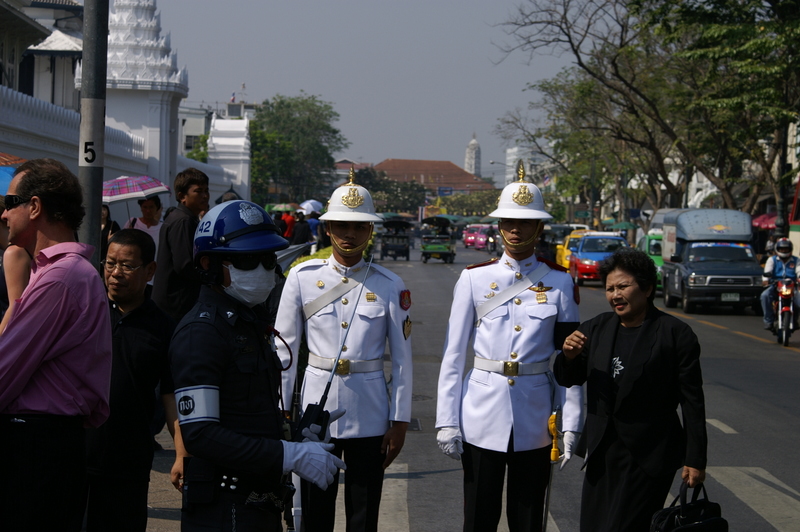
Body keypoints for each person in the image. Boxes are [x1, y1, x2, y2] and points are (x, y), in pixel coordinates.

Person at [171, 200, 345, 532]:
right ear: (210, 265)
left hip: (259, 503)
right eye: (250, 261)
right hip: (224, 511)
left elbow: (246, 414)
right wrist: (288, 455)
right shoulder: (202, 333)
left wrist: (296, 438)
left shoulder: (247, 324)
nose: (266, 271)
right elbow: (201, 434)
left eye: (269, 260)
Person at [436, 166, 583, 532]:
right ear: (499, 226)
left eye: (526, 222)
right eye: (509, 221)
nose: (516, 229)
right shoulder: (474, 279)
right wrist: (447, 420)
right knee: (479, 516)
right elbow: (453, 356)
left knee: (528, 517)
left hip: (535, 417)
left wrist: (573, 422)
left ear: (540, 228)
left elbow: (571, 362)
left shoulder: (560, 283)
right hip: (481, 413)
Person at [276, 171, 413, 532]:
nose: (349, 235)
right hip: (314, 412)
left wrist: (399, 421)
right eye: (341, 226)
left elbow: (401, 362)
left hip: (369, 412)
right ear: (327, 229)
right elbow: (285, 351)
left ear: (370, 231)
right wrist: (279, 413)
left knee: (363, 512)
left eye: (359, 226)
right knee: (315, 511)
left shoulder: (389, 285)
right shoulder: (302, 278)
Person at [555, 248, 707, 532]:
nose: (615, 294)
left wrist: (695, 460)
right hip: (602, 453)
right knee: (594, 526)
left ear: (648, 288)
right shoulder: (596, 328)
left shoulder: (675, 334)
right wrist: (568, 356)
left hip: (648, 456)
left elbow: (692, 402)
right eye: (610, 288)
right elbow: (568, 378)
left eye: (623, 286)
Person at [0, 158, 112, 531]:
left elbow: (5, 370)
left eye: (9, 202)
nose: (4, 214)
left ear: (34, 207)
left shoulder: (60, 278)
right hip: (46, 444)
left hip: (38, 446)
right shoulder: (55, 273)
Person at [83, 229, 186, 531]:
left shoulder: (164, 328)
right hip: (77, 454)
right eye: (110, 263)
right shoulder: (87, 311)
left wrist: (181, 454)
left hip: (129, 462)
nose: (115, 273)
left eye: (127, 266)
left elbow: (172, 396)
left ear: (150, 270)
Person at [152, 167, 210, 322]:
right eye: (198, 191)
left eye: (206, 190)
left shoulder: (185, 218)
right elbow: (185, 265)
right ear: (182, 196)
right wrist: (211, 277)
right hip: (175, 303)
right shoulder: (183, 221)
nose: (205, 196)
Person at [760, 237, 800, 330]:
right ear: (777, 249)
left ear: (790, 249)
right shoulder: (772, 260)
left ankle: (796, 320)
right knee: (764, 296)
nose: (784, 250)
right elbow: (767, 271)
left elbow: (799, 270)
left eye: (786, 249)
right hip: (775, 286)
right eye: (782, 249)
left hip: (791, 287)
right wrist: (766, 279)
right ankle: (768, 321)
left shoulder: (796, 260)